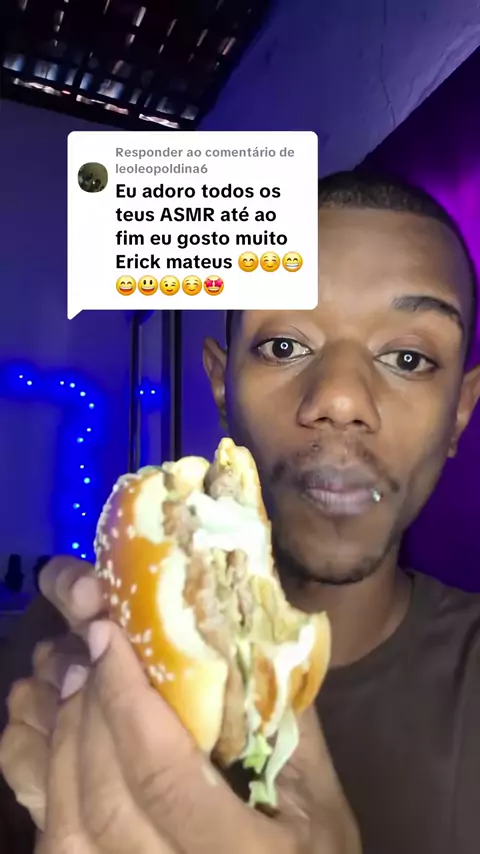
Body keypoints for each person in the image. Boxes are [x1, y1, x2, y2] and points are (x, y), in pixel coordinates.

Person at [1, 169, 480, 854]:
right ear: (222, 387)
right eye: (284, 346)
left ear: (459, 412)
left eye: (408, 357)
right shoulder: (62, 644)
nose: (340, 399)